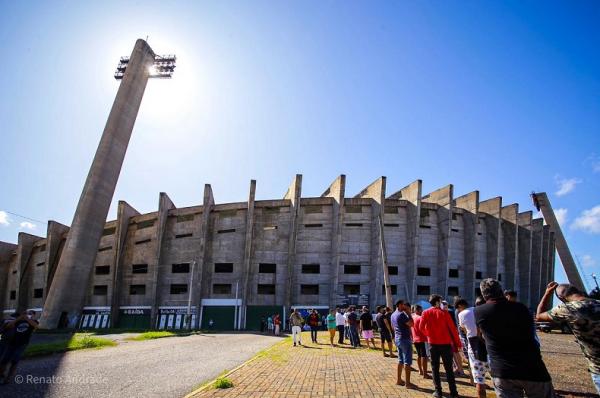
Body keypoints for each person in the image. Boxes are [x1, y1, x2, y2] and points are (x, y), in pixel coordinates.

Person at [476, 278, 554, 398]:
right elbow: (532, 332)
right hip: (532, 368)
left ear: (483, 294)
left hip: (502, 371)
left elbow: (480, 336)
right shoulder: (521, 308)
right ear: (501, 291)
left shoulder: (479, 312)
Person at [536, 281, 600, 395]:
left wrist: (547, 293)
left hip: (598, 367)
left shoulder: (568, 309)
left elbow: (539, 316)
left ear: (561, 298)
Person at [421, 294, 462, 398]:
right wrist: (458, 343)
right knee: (448, 369)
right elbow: (453, 329)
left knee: (435, 368)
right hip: (446, 344)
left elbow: (420, 327)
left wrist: (428, 335)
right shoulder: (445, 313)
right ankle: (453, 392)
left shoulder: (425, 312)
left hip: (433, 344)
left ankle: (438, 391)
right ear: (437, 302)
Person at [458, 296, 490, 398]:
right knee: (500, 381)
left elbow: (464, 329)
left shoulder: (463, 314)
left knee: (480, 381)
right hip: (492, 349)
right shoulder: (492, 313)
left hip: (475, 348)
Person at [0, 310, 39, 384]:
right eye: (27, 313)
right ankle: (1, 374)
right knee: (4, 360)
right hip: (12, 343)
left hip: (22, 344)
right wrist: (19, 318)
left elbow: (36, 326)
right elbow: (9, 326)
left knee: (14, 361)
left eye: (30, 314)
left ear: (33, 315)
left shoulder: (34, 321)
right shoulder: (18, 321)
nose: (28, 314)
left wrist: (27, 319)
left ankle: (8, 378)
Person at [391, 300, 414, 389]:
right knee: (407, 361)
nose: (406, 306)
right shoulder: (402, 315)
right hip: (404, 339)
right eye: (404, 305)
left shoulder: (393, 314)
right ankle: (407, 383)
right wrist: (409, 313)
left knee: (400, 360)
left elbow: (393, 327)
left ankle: (399, 380)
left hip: (398, 338)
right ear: (400, 305)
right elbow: (412, 324)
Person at [411, 305, 429, 379]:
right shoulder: (420, 318)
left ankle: (420, 370)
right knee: (424, 356)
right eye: (421, 310)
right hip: (422, 338)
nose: (422, 311)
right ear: (418, 310)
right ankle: (425, 373)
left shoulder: (412, 317)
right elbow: (424, 328)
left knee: (419, 355)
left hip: (415, 338)